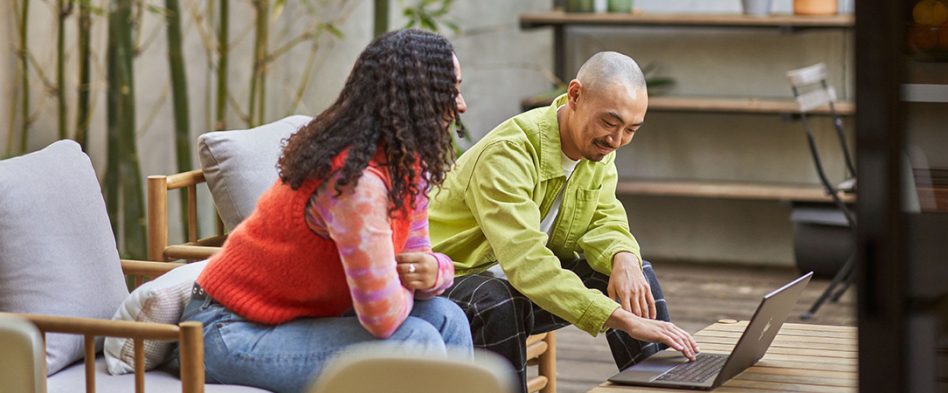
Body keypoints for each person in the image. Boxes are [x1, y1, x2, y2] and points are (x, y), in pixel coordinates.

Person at [180, 29, 472, 393]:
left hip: (300, 320)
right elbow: (382, 318)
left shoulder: (407, 164)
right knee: (414, 340)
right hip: (227, 331)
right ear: (412, 97)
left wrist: (437, 271)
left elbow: (418, 262)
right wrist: (407, 275)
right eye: (450, 89)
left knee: (449, 319)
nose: (460, 104)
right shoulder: (355, 182)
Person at [428, 51, 700, 392]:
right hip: (450, 281)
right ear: (575, 96)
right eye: (609, 123)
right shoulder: (508, 153)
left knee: (633, 272)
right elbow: (527, 263)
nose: (616, 140)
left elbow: (604, 215)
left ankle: (665, 386)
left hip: (519, 287)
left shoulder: (599, 147)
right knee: (497, 300)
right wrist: (620, 318)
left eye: (631, 129)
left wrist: (624, 257)